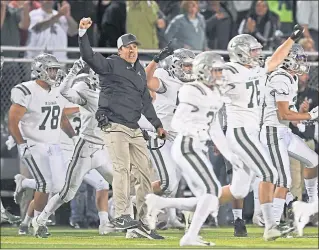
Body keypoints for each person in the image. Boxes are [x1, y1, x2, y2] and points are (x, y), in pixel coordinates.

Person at [78, 17, 171, 239]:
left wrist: (157, 124)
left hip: (133, 128)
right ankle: (121, 214)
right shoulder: (110, 64)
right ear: (119, 51)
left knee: (146, 173)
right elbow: (89, 56)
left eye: (134, 47)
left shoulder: (139, 71)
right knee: (122, 169)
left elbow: (145, 102)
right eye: (127, 47)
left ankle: (142, 221)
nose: (132, 50)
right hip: (114, 125)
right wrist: (82, 33)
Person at [146, 51, 244, 246]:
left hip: (196, 146)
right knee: (211, 191)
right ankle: (188, 235)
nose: (219, 75)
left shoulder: (214, 93)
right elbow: (178, 120)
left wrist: (229, 154)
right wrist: (195, 131)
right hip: (186, 145)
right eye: (215, 71)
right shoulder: (191, 90)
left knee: (211, 196)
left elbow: (215, 129)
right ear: (205, 70)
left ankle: (163, 205)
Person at [222, 24, 304, 241]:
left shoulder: (255, 70)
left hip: (250, 133)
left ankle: (194, 206)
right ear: (241, 51)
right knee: (271, 173)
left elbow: (275, 60)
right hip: (240, 132)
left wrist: (291, 39)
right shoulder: (231, 70)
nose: (258, 54)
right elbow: (212, 82)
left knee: (238, 190)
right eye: (254, 50)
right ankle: (270, 226)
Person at [31, 59, 114, 238]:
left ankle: (110, 223)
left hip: (101, 148)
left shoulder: (111, 92)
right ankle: (40, 220)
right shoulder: (86, 90)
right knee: (67, 192)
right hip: (84, 147)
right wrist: (74, 70)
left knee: (118, 182)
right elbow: (65, 92)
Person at [8, 53, 75, 237]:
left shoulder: (57, 91)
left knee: (60, 187)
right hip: (34, 145)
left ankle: (24, 183)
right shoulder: (26, 90)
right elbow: (12, 121)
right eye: (51, 69)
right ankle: (39, 224)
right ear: (40, 70)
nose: (54, 73)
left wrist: (74, 137)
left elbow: (61, 118)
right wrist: (22, 145)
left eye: (55, 69)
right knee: (45, 184)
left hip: (54, 146)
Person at [259, 44, 318, 225]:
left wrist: (301, 115)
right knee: (284, 180)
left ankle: (313, 202)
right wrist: (310, 115)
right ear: (288, 60)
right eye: (298, 58)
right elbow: (283, 114)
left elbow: (289, 114)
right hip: (272, 131)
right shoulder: (280, 78)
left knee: (313, 160)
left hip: (283, 131)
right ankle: (274, 225)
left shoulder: (290, 77)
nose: (301, 62)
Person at [146, 48, 195, 229]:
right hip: (161, 135)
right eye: (186, 65)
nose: (190, 69)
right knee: (168, 183)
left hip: (179, 138)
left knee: (174, 184)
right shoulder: (166, 78)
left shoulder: (193, 83)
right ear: (176, 65)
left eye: (192, 65)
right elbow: (146, 80)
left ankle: (171, 217)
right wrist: (156, 60)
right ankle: (132, 199)